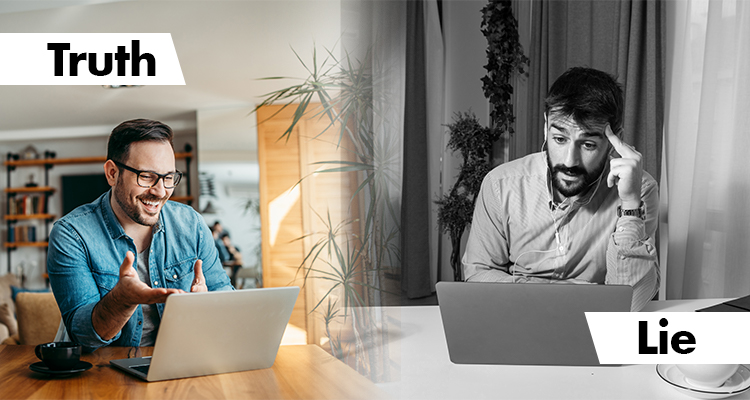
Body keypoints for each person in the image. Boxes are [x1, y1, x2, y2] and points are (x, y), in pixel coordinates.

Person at [462, 67, 659, 311]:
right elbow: (478, 275)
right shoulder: (500, 185)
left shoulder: (640, 190)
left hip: (596, 329)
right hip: (516, 316)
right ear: (546, 127)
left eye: (587, 144)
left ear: (613, 140)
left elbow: (631, 304)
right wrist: (569, 294)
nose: (569, 161)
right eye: (559, 139)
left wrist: (630, 203)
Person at [47, 119, 233, 351]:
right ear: (112, 173)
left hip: (180, 360)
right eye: (146, 176)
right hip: (102, 373)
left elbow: (226, 300)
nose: (160, 191)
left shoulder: (191, 223)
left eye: (168, 178)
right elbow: (83, 337)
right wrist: (121, 301)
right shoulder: (71, 234)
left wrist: (208, 307)